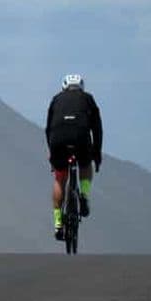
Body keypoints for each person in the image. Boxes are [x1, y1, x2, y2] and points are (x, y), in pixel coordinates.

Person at [45, 74, 103, 241]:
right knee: (85, 165)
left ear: (64, 87)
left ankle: (58, 223)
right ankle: (84, 195)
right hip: (81, 139)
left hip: (58, 140)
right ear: (81, 87)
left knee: (59, 178)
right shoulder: (88, 98)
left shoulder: (56, 99)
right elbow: (97, 129)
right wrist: (96, 154)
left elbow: (48, 129)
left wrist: (52, 154)